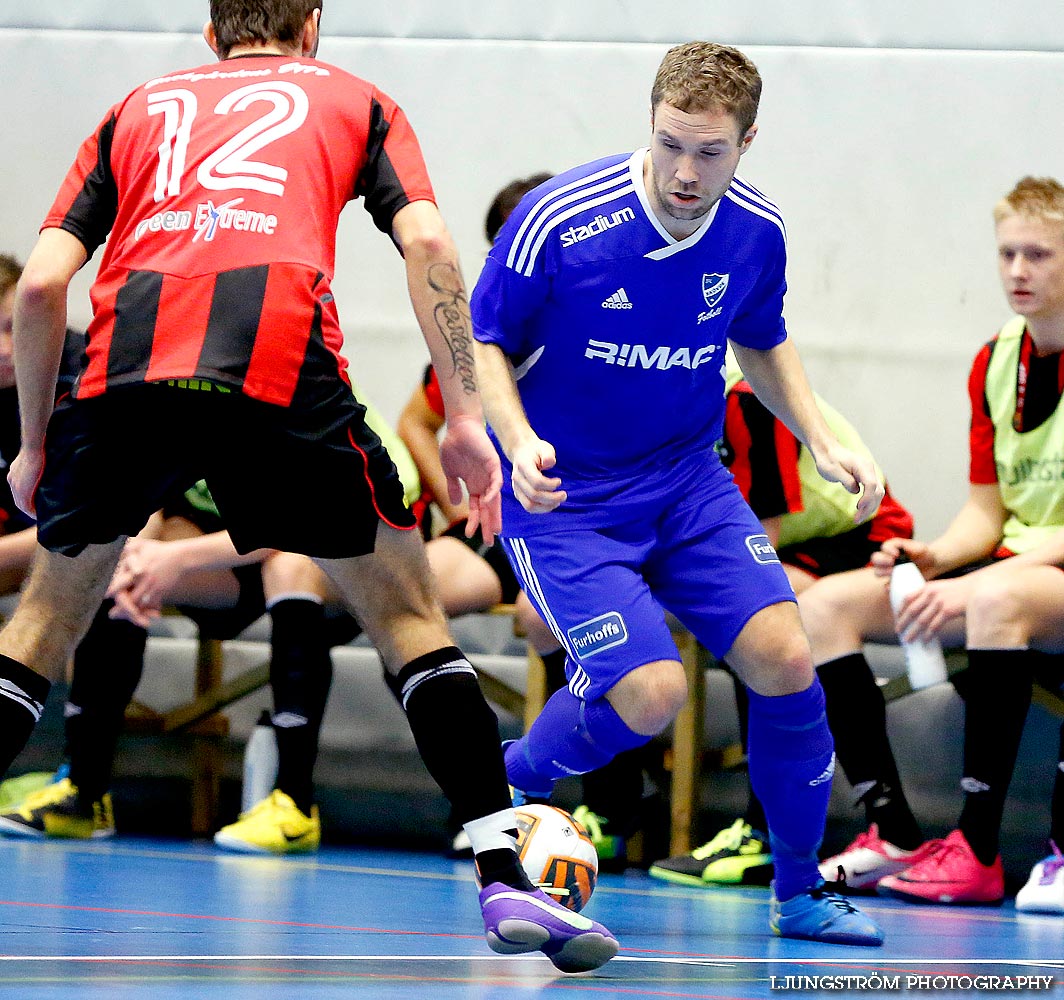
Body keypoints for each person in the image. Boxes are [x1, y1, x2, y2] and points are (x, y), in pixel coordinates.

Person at [1, 1, 616, 972]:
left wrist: (35, 444)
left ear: (212, 33)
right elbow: (429, 250)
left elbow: (38, 287)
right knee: (407, 615)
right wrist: (464, 419)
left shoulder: (133, 108)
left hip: (124, 365)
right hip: (276, 362)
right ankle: (502, 873)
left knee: (37, 630)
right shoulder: (355, 100)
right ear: (312, 26)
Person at [471, 40, 885, 945]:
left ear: (747, 142)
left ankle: (797, 893)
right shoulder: (559, 219)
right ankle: (517, 774)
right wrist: (516, 439)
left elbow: (761, 337)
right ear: (649, 125)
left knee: (787, 657)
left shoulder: (756, 230)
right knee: (653, 695)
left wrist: (822, 438)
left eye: (710, 152)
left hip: (689, 483)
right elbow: (484, 336)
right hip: (567, 501)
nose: (686, 172)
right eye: (671, 145)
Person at [798, 176, 1064, 912]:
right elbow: (988, 512)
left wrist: (976, 582)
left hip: (1035, 580)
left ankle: (980, 847)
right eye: (1007, 253)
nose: (1017, 271)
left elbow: (1013, 564)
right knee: (826, 607)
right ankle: (893, 830)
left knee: (999, 598)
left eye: (1038, 254)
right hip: (1014, 571)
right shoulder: (994, 361)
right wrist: (937, 558)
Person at [0, 383, 414, 853]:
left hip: (338, 547)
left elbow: (297, 522)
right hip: (234, 558)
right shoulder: (175, 394)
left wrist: (179, 558)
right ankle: (84, 790)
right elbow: (144, 504)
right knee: (114, 569)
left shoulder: (296, 394)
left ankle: (295, 802)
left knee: (289, 568)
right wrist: (135, 553)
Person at [400, 174, 651, 865]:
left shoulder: (614, 322)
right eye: (504, 242)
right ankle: (489, 805)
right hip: (504, 530)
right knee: (410, 603)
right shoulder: (483, 334)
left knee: (561, 624)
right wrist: (459, 500)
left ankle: (606, 805)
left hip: (591, 530)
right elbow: (417, 420)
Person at [648, 360, 925, 889]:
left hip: (859, 537)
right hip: (794, 544)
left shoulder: (747, 399)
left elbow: (760, 541)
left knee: (752, 614)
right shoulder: (657, 397)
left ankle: (763, 831)